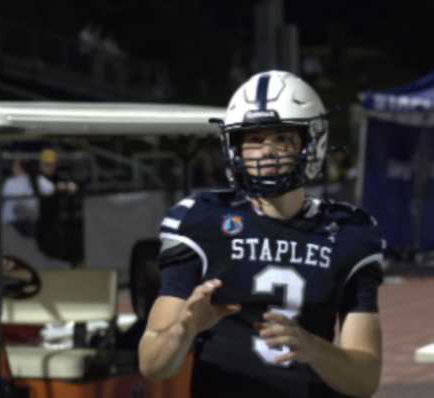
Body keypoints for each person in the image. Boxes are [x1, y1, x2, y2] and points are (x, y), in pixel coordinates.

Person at [138, 71, 384, 398]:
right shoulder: (202, 220)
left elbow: (365, 380)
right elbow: (153, 365)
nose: (267, 151)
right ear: (235, 148)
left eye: (282, 138)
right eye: (254, 139)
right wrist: (183, 330)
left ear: (310, 144)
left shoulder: (348, 231)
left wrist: (313, 348)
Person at [2, 159, 55, 238]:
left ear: (21, 168)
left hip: (27, 223)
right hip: (11, 222)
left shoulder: (33, 179)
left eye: (14, 167)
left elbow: (50, 189)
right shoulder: (10, 182)